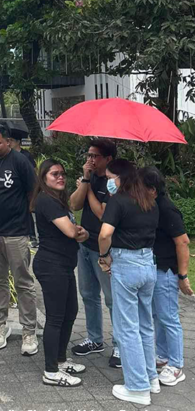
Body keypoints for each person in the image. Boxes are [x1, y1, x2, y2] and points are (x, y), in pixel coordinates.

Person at [98, 159, 159, 406]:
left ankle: (137, 387)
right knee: (145, 323)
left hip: (126, 264)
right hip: (148, 264)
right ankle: (151, 378)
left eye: (110, 177)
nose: (108, 181)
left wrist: (104, 256)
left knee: (127, 327)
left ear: (120, 178)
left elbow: (105, 233)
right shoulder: (148, 201)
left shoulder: (118, 201)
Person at [0, 124, 38, 354]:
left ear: (9, 141)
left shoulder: (20, 161)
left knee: (23, 282)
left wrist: (26, 212)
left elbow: (34, 189)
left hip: (16, 233)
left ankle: (29, 332)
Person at [31, 159, 90, 387]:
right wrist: (77, 232)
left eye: (63, 174)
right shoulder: (46, 200)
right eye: (54, 174)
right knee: (55, 318)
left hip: (64, 265)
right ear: (44, 177)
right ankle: (51, 371)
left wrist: (78, 233)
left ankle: (60, 359)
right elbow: (69, 230)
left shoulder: (59, 200)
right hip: (50, 265)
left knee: (70, 313)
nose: (60, 177)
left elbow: (77, 232)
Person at [68, 139, 119, 367]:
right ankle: (95, 339)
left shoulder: (114, 182)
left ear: (108, 158)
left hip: (105, 248)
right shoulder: (91, 177)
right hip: (85, 244)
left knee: (112, 299)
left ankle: (119, 344)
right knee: (88, 294)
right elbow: (74, 205)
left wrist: (87, 187)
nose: (90, 159)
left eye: (96, 156)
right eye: (89, 154)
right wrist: (86, 181)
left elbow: (102, 214)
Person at [140, 166, 192, 387]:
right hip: (153, 269)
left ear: (152, 189)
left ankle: (177, 365)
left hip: (167, 271)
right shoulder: (150, 207)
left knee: (168, 317)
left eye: (139, 187)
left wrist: (183, 275)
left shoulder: (167, 209)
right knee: (157, 315)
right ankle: (162, 356)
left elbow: (183, 242)